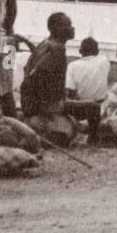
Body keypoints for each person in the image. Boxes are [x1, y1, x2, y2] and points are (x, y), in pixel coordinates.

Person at [21, 12, 100, 141]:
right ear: (56, 28)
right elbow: (39, 74)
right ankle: (93, 140)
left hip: (34, 102)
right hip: (45, 104)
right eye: (68, 25)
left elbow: (31, 72)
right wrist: (53, 102)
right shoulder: (56, 49)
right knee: (94, 108)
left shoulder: (46, 44)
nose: (72, 28)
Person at [67, 36, 111, 105]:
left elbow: (70, 91)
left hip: (81, 105)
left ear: (80, 51)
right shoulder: (104, 61)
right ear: (97, 52)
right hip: (101, 105)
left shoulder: (72, 66)